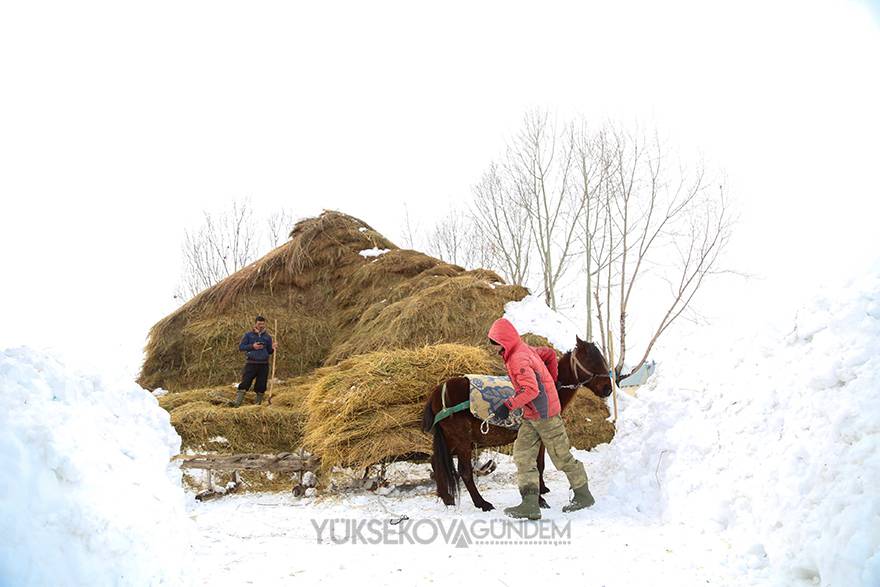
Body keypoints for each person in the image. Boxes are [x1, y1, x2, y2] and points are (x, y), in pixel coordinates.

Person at [488, 317, 595, 520]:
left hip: (545, 415)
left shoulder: (517, 358)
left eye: (496, 344)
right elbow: (548, 354)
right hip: (532, 415)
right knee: (523, 455)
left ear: (505, 341)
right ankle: (529, 504)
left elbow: (531, 389)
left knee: (560, 456)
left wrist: (508, 405)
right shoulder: (523, 349)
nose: (494, 349)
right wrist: (552, 379)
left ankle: (583, 495)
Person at [233, 316, 275, 407]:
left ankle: (257, 406)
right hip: (251, 363)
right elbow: (241, 347)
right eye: (259, 324)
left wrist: (273, 348)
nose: (261, 326)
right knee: (245, 382)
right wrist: (253, 346)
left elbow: (269, 351)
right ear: (255, 324)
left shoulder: (268, 337)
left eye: (263, 324)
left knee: (261, 385)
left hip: (264, 364)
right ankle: (237, 404)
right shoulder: (248, 335)